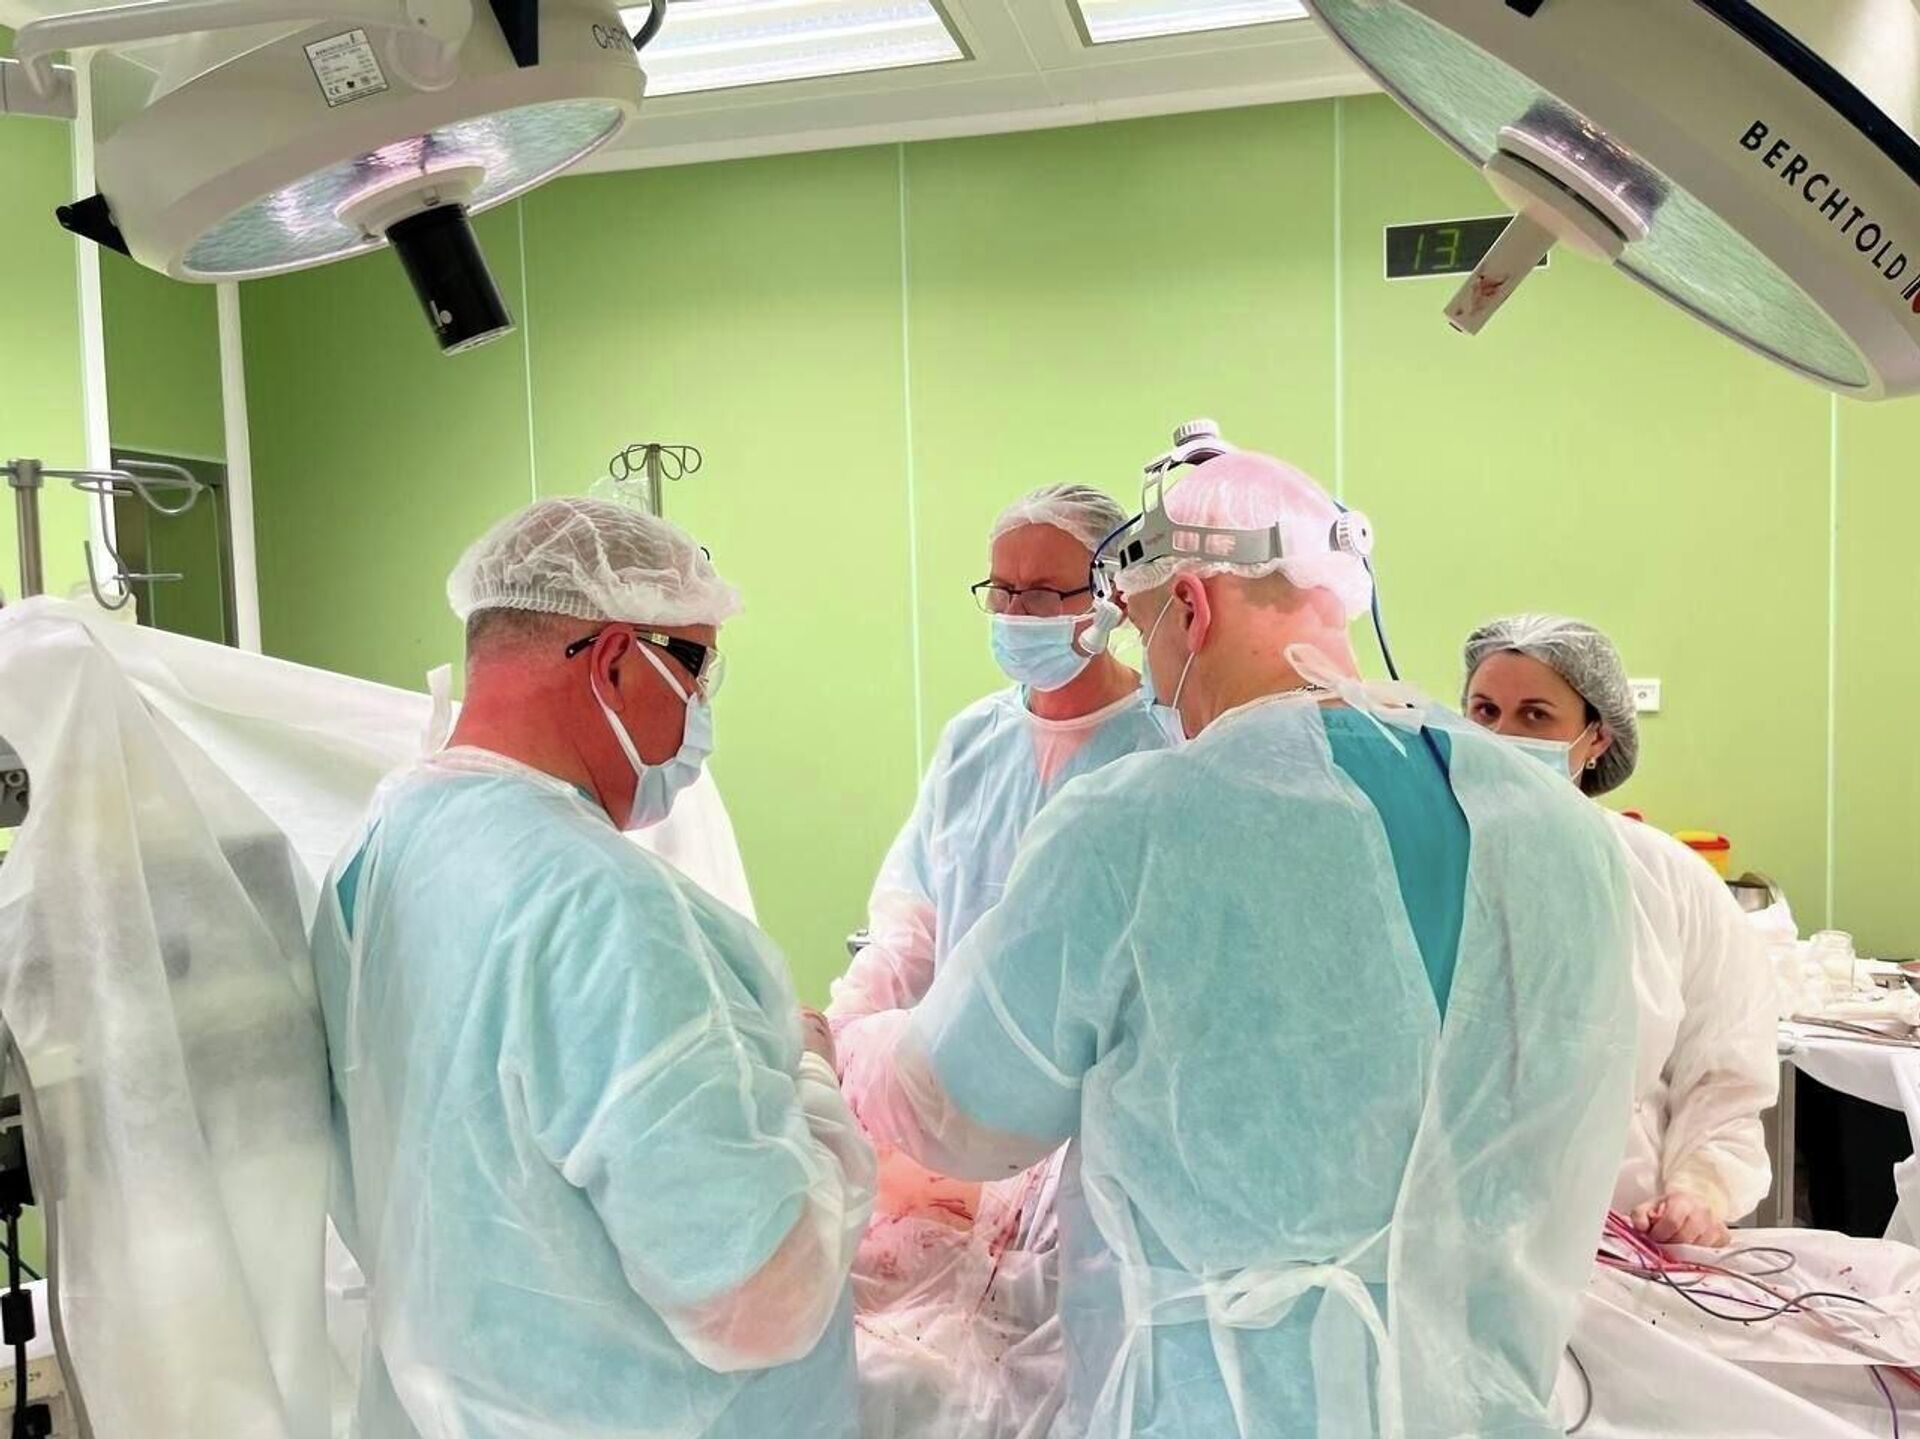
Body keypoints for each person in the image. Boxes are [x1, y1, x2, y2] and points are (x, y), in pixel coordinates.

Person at [844, 438, 1638, 1437]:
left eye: (1146, 632)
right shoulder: (1559, 826)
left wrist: (855, 1043)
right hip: (1476, 1403)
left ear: (1192, 606)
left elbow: (962, 1110)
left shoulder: (1142, 821)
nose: (1153, 672)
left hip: (1221, 1404)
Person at [311, 497, 874, 1439]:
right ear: (615, 660)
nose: (700, 710)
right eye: (695, 668)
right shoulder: (603, 908)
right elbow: (757, 1295)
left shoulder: (379, 846)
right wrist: (813, 1083)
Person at [829, 483, 1165, 1439]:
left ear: (1111, 594)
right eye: (1003, 591)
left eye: (1046, 592)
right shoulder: (974, 740)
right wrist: (844, 1036)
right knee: (913, 1348)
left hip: (1097, 1116)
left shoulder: (1164, 746)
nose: (1019, 614)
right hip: (961, 1096)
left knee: (1062, 1359)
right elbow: (913, 917)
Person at [1463, 613, 1778, 1248]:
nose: (1501, 737)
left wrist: (1700, 1192)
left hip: (1622, 1230)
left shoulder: (1668, 880)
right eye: (1484, 711)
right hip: (1449, 1233)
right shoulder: (1428, 866)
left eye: (1535, 716)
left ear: (1597, 738)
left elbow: (1723, 1073)